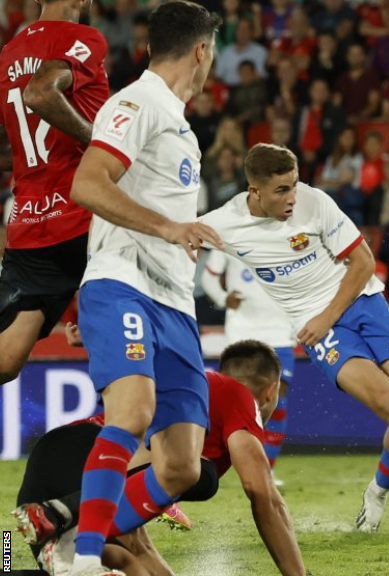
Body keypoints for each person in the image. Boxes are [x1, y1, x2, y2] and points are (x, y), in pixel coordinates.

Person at [200, 144, 389, 533]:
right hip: (324, 332)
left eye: (294, 184)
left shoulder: (315, 202)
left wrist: (327, 315)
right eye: (281, 190)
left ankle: (376, 494)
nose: (293, 197)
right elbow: (172, 234)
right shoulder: (224, 223)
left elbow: (363, 261)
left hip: (364, 302)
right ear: (254, 190)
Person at [66, 4, 224, 575]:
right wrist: (168, 227)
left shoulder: (179, 124)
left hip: (175, 303)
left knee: (181, 465)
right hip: (123, 283)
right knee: (131, 414)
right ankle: (86, 561)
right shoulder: (137, 102)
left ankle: (74, 530)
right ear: (202, 51)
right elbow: (88, 182)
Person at [13, 339, 307, 576]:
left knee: (125, 561)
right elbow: (264, 495)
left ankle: (24, 550)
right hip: (93, 454)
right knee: (202, 476)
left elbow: (140, 546)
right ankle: (62, 515)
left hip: (57, 459)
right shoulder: (238, 396)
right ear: (270, 392)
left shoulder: (189, 392)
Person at [0, 0, 110, 386]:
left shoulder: (10, 51)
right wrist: (101, 145)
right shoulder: (84, 37)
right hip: (88, 216)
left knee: (4, 360)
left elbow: (14, 131)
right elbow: (41, 93)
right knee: (138, 331)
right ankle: (149, 440)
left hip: (31, 221)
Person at [201, 251, 298, 478]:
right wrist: (222, 298)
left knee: (276, 399)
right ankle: (220, 458)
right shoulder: (228, 232)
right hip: (241, 331)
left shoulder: (290, 235)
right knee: (232, 401)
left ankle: (267, 469)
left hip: (281, 332)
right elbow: (209, 276)